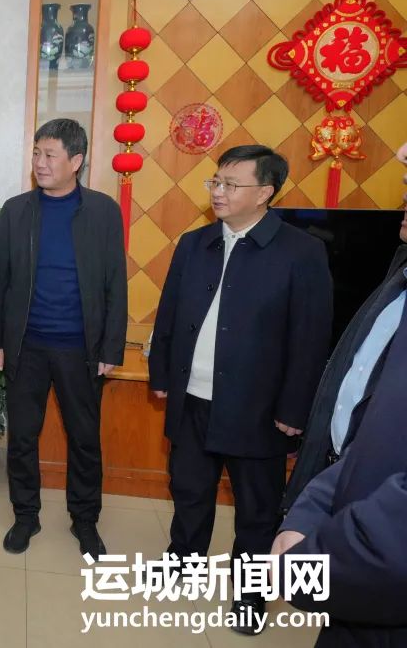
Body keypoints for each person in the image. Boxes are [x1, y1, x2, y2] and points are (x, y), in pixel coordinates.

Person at [148, 144, 332, 634]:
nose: (218, 192)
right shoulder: (195, 243)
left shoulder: (301, 252)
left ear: (265, 192)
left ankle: (250, 596)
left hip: (258, 408)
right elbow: (170, 314)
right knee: (189, 490)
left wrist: (294, 408)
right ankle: (183, 563)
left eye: (231, 184)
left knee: (256, 510)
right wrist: (162, 375)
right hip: (193, 398)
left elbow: (310, 338)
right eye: (216, 181)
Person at [273, 141, 407, 647]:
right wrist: (308, 512)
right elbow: (369, 433)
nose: (400, 153)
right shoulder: (400, 274)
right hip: (347, 515)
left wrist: (304, 567)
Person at [0, 118, 127, 559]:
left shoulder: (102, 211)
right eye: (36, 153)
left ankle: (85, 520)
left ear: (76, 160)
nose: (39, 163)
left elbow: (115, 283)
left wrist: (111, 347)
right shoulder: (17, 211)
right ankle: (25, 515)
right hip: (25, 346)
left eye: (50, 155)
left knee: (84, 438)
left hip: (81, 348)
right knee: (23, 437)